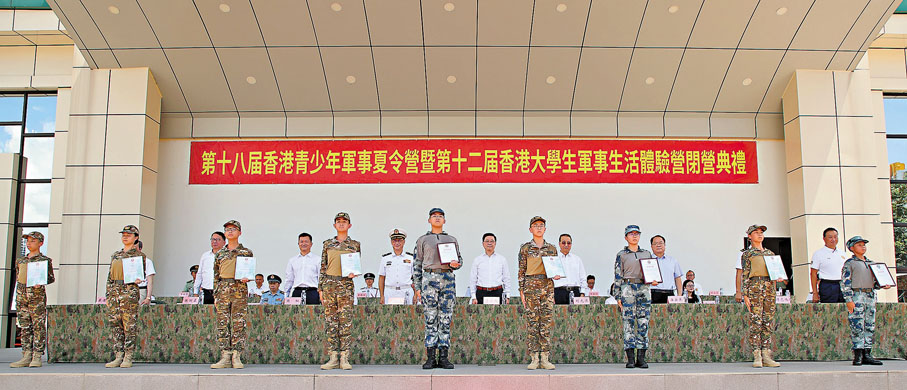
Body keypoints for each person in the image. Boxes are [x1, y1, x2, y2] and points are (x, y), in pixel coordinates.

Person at [413, 207, 462, 370]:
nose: (437, 218)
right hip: (429, 280)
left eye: (440, 216)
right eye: (434, 216)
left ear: (444, 220)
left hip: (447, 279)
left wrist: (456, 264)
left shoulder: (451, 239)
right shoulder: (422, 240)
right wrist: (417, 287)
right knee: (430, 318)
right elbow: (417, 264)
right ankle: (430, 357)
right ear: (429, 220)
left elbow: (459, 260)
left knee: (445, 318)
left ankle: (444, 357)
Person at [318, 212, 360, 370]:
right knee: (331, 322)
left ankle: (344, 357)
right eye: (338, 221)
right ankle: (333, 357)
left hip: (345, 285)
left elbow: (356, 265)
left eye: (344, 221)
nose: (341, 223)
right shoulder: (327, 244)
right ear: (334, 225)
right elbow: (323, 267)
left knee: (345, 322)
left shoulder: (354, 245)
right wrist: (320, 288)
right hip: (329, 284)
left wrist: (354, 273)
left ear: (349, 225)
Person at [210, 220, 253, 369]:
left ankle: (236, 355)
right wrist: (216, 294)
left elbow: (249, 271)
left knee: (238, 323)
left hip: (239, 289)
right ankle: (225, 356)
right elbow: (216, 275)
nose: (230, 231)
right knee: (222, 323)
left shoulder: (246, 252)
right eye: (227, 229)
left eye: (233, 229)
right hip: (223, 290)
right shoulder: (220, 253)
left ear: (239, 232)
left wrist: (247, 277)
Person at [841, 236, 890, 366]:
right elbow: (845, 282)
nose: (863, 246)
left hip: (870, 295)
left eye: (864, 244)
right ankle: (858, 354)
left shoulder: (871, 263)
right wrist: (848, 299)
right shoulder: (850, 263)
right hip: (857, 295)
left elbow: (875, 282)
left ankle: (867, 353)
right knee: (857, 324)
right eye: (859, 245)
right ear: (852, 248)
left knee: (869, 324)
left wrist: (883, 284)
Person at [615, 225, 658, 369]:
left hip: (644, 288)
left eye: (637, 234)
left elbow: (652, 271)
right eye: (631, 234)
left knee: (643, 321)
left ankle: (641, 358)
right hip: (627, 288)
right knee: (628, 322)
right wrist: (617, 295)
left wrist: (654, 280)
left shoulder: (646, 253)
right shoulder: (621, 254)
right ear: (626, 237)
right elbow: (618, 275)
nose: (634, 236)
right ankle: (630, 359)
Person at [9, 231, 55, 368]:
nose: (29, 244)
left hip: (36, 298)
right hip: (22, 297)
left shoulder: (44, 260)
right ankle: (26, 354)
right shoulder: (21, 261)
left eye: (33, 241)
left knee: (38, 326)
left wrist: (41, 282)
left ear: (40, 243)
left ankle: (37, 355)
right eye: (28, 241)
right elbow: (19, 278)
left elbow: (51, 278)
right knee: (24, 326)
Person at [104, 225, 148, 369]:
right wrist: (108, 294)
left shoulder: (139, 256)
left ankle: (128, 356)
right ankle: (118, 355)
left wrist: (138, 279)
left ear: (136, 238)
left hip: (129, 292)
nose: (125, 237)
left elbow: (140, 274)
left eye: (129, 235)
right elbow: (110, 276)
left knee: (129, 325)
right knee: (115, 325)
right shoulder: (116, 255)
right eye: (123, 234)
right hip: (115, 292)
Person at [740, 224, 783, 368]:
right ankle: (756, 354)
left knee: (767, 321)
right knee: (756, 321)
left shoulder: (770, 254)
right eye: (756, 232)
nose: (759, 235)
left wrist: (778, 279)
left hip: (769, 287)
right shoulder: (748, 254)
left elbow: (775, 273)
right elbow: (745, 274)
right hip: (755, 287)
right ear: (749, 236)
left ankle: (766, 354)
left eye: (761, 232)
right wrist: (745, 294)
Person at [519, 216, 559, 370]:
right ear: (530, 229)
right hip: (530, 287)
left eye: (541, 225)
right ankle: (534, 358)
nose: (539, 228)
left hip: (547, 286)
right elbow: (521, 270)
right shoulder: (525, 248)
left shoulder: (551, 249)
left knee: (545, 323)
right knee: (533, 323)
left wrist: (556, 275)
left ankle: (545, 358)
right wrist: (521, 290)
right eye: (536, 225)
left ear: (545, 229)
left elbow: (555, 268)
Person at [469, 233, 510, 304]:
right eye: (487, 241)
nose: (489, 243)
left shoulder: (502, 259)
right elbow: (473, 279)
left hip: (497, 292)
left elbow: (506, 278)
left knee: (498, 311)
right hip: (481, 292)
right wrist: (473, 297)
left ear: (495, 243)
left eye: (492, 241)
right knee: (480, 312)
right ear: (483, 244)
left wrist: (507, 295)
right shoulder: (477, 260)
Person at [379, 229, 417, 305]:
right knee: (389, 312)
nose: (397, 243)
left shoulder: (411, 258)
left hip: (406, 291)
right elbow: (381, 277)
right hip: (390, 292)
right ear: (391, 242)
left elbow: (416, 277)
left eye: (399, 240)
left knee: (407, 312)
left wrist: (415, 294)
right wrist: (382, 295)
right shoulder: (385, 259)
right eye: (394, 241)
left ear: (404, 242)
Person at [282, 232, 321, 305]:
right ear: (298, 244)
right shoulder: (292, 260)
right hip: (297, 292)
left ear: (311, 244)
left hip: (312, 293)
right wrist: (286, 296)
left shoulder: (318, 260)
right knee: (295, 312)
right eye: (301, 242)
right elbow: (289, 279)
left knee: (313, 312)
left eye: (306, 241)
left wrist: (322, 295)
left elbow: (320, 279)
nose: (304, 244)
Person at [810, 227, 847, 303]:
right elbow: (813, 273)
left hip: (842, 284)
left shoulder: (842, 253)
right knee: (829, 308)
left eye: (835, 237)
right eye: (830, 237)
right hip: (827, 285)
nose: (833, 239)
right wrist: (815, 293)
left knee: (844, 308)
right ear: (824, 239)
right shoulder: (818, 254)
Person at [553, 234, 587, 303]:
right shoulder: (553, 259)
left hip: (575, 292)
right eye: (563, 243)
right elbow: (549, 279)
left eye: (568, 243)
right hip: (559, 293)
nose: (566, 245)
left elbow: (583, 278)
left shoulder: (577, 259)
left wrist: (582, 293)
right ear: (559, 244)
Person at [649, 235, 683, 304]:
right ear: (651, 246)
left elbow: (678, 279)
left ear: (665, 245)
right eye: (655, 243)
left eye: (661, 243)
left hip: (669, 294)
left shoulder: (673, 261)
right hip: (653, 293)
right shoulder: (647, 261)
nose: (658, 245)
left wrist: (679, 296)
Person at [194, 231, 225, 304]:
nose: (214, 242)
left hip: (222, 293)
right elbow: (199, 274)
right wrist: (196, 292)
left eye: (218, 239)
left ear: (224, 242)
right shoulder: (205, 256)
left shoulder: (227, 256)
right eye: (213, 239)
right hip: (207, 292)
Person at [135, 240, 155, 305]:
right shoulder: (127, 261)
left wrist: (148, 297)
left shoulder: (147, 262)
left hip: (141, 290)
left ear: (140, 248)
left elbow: (150, 281)